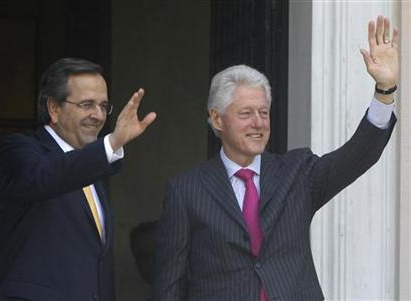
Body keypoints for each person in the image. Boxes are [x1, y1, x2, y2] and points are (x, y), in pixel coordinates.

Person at [153, 16, 399, 301]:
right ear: (217, 119)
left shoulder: (297, 173)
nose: (258, 123)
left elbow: (359, 155)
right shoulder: (186, 190)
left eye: (264, 112)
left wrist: (384, 92)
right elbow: (169, 285)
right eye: (246, 114)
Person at [0, 57, 156, 301]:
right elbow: (46, 177)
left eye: (103, 106)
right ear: (54, 108)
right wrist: (111, 143)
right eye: (87, 104)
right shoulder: (20, 151)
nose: (98, 115)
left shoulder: (90, 169)